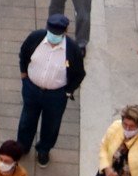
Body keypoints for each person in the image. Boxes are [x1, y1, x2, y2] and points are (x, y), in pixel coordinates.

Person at [15, 12, 87, 165]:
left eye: (57, 33)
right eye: (51, 32)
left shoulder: (72, 50)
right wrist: (23, 75)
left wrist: (67, 92)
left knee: (51, 125)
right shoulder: (36, 38)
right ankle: (22, 145)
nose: (53, 36)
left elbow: (79, 74)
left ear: (64, 32)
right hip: (32, 89)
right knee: (27, 120)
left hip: (56, 95)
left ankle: (44, 150)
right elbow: (23, 54)